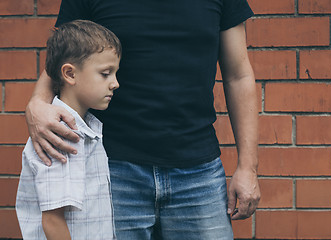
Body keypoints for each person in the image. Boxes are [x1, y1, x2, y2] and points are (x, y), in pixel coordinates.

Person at [25, 0, 260, 239]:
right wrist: (37, 104)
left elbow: (238, 76)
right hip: (111, 167)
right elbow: (65, 57)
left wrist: (248, 167)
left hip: (198, 173)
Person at [16, 19, 121, 240]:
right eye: (105, 73)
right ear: (70, 74)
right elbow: (52, 220)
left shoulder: (86, 128)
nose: (115, 83)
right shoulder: (61, 135)